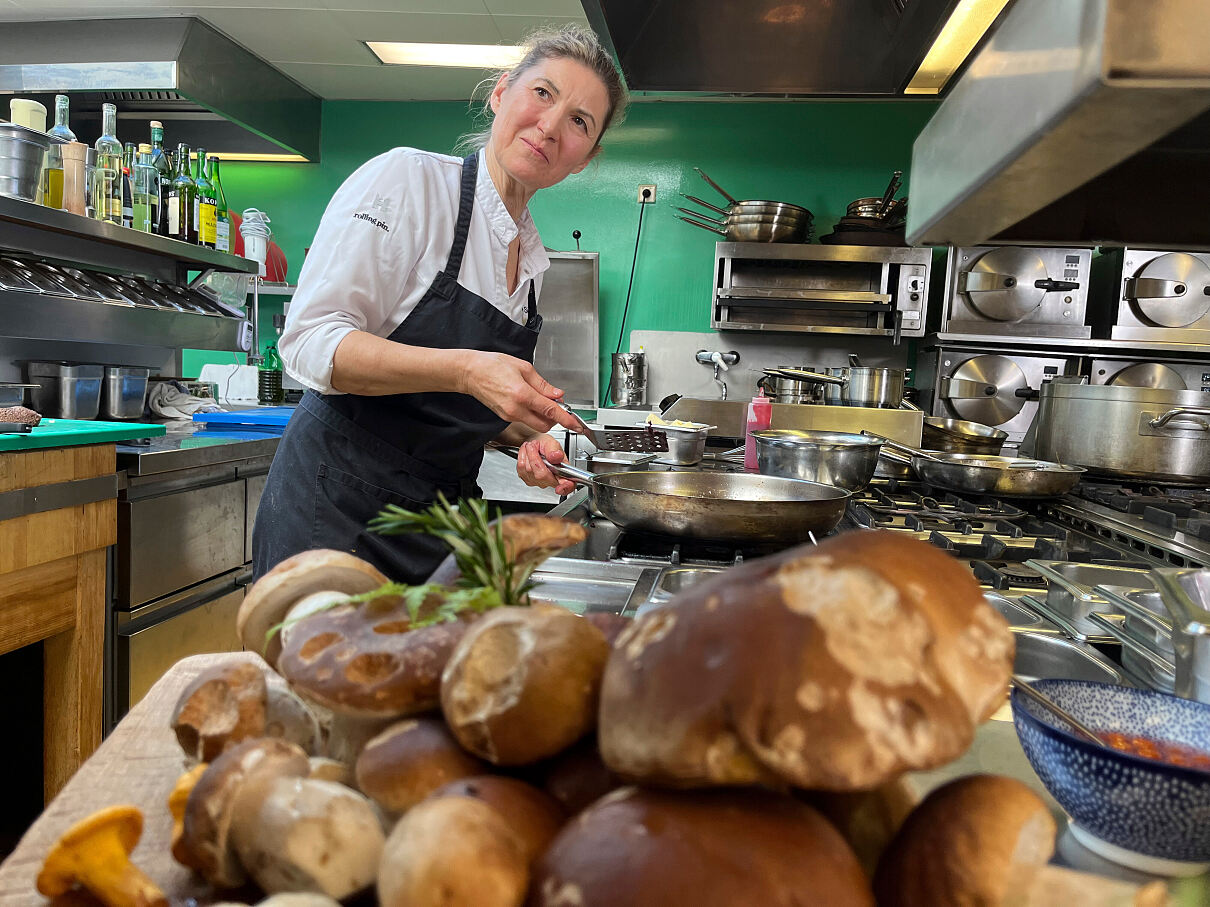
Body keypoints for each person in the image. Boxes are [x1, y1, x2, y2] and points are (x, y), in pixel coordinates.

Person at [252, 24, 628, 583]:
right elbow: (309, 344)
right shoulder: (410, 183)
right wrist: (468, 370)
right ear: (501, 94)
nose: (551, 127)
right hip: (336, 514)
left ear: (585, 159)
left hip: (440, 523)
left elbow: (444, 407)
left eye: (579, 121)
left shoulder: (532, 262)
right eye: (543, 93)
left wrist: (527, 437)